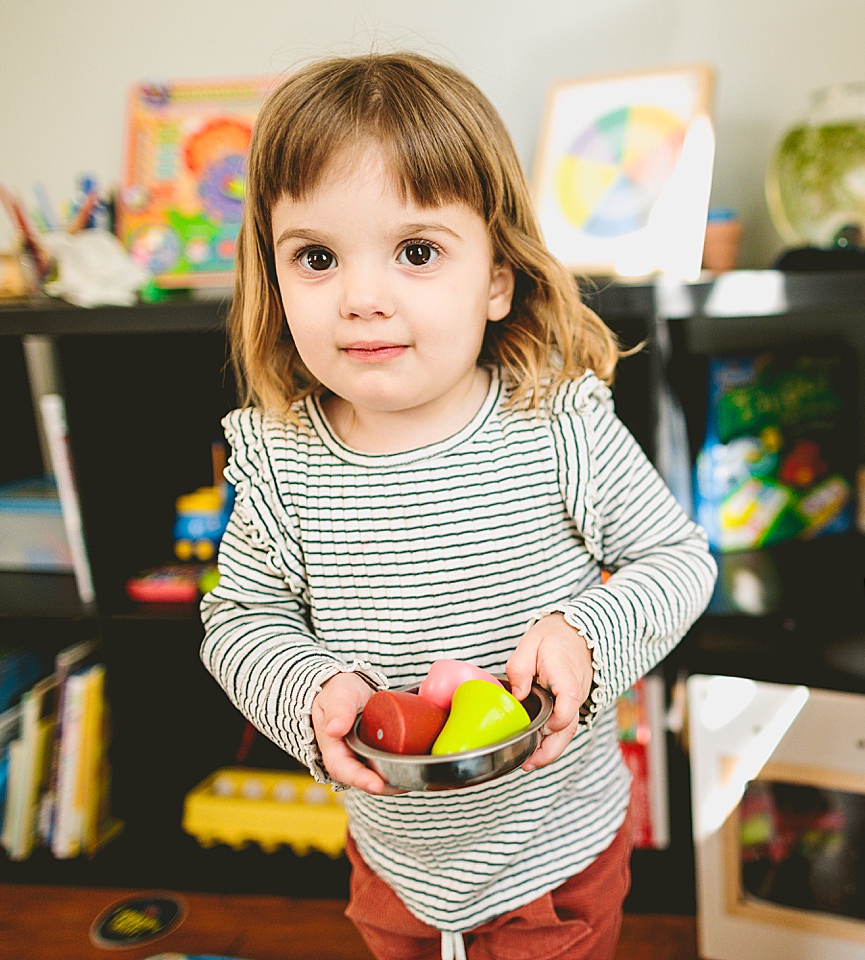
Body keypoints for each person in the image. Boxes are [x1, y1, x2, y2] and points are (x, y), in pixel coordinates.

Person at [200, 51, 716, 960]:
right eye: (317, 257)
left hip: (556, 858)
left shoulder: (556, 421)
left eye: (416, 252)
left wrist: (587, 637)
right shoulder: (281, 459)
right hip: (392, 862)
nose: (362, 297)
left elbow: (677, 562)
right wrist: (311, 689)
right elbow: (239, 619)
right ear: (274, 280)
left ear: (495, 278)